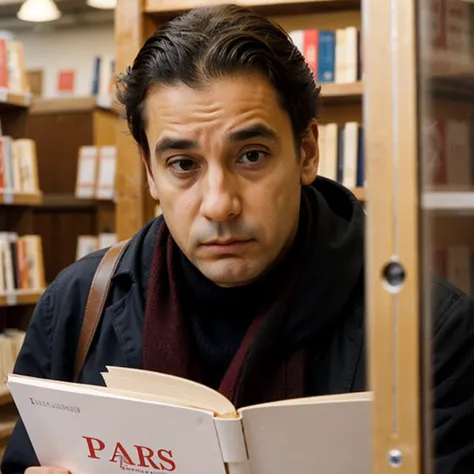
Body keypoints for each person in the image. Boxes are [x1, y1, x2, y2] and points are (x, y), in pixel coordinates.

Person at [3, 4, 474, 474]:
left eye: (251, 156)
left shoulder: (431, 330)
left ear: (307, 152)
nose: (219, 204)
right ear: (150, 173)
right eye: (183, 165)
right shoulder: (78, 303)